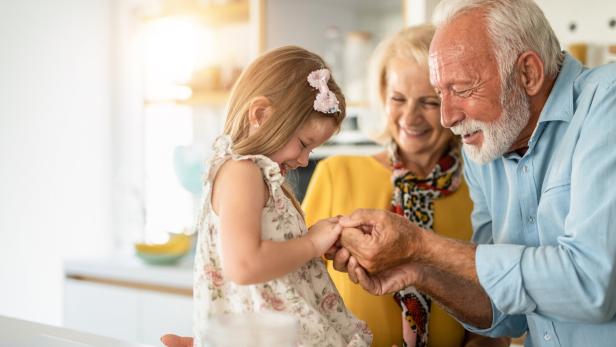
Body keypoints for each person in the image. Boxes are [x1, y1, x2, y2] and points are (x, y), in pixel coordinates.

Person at [332, 0, 616, 346]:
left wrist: (421, 245)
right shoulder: (486, 148)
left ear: (528, 73)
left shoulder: (607, 103)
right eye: (441, 94)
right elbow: (502, 313)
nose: (447, 117)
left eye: (463, 89)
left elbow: (593, 285)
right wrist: (417, 271)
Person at [302, 25, 507, 347]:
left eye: (428, 102)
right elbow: (296, 289)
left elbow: (499, 318)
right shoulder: (336, 173)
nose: (410, 118)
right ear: (383, 96)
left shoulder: (483, 186)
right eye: (398, 98)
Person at [181, 46, 371, 347]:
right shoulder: (241, 171)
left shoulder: (258, 176)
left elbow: (269, 255)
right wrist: (310, 244)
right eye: (303, 143)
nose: (305, 160)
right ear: (260, 115)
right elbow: (244, 264)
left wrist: (315, 238)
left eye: (313, 150)